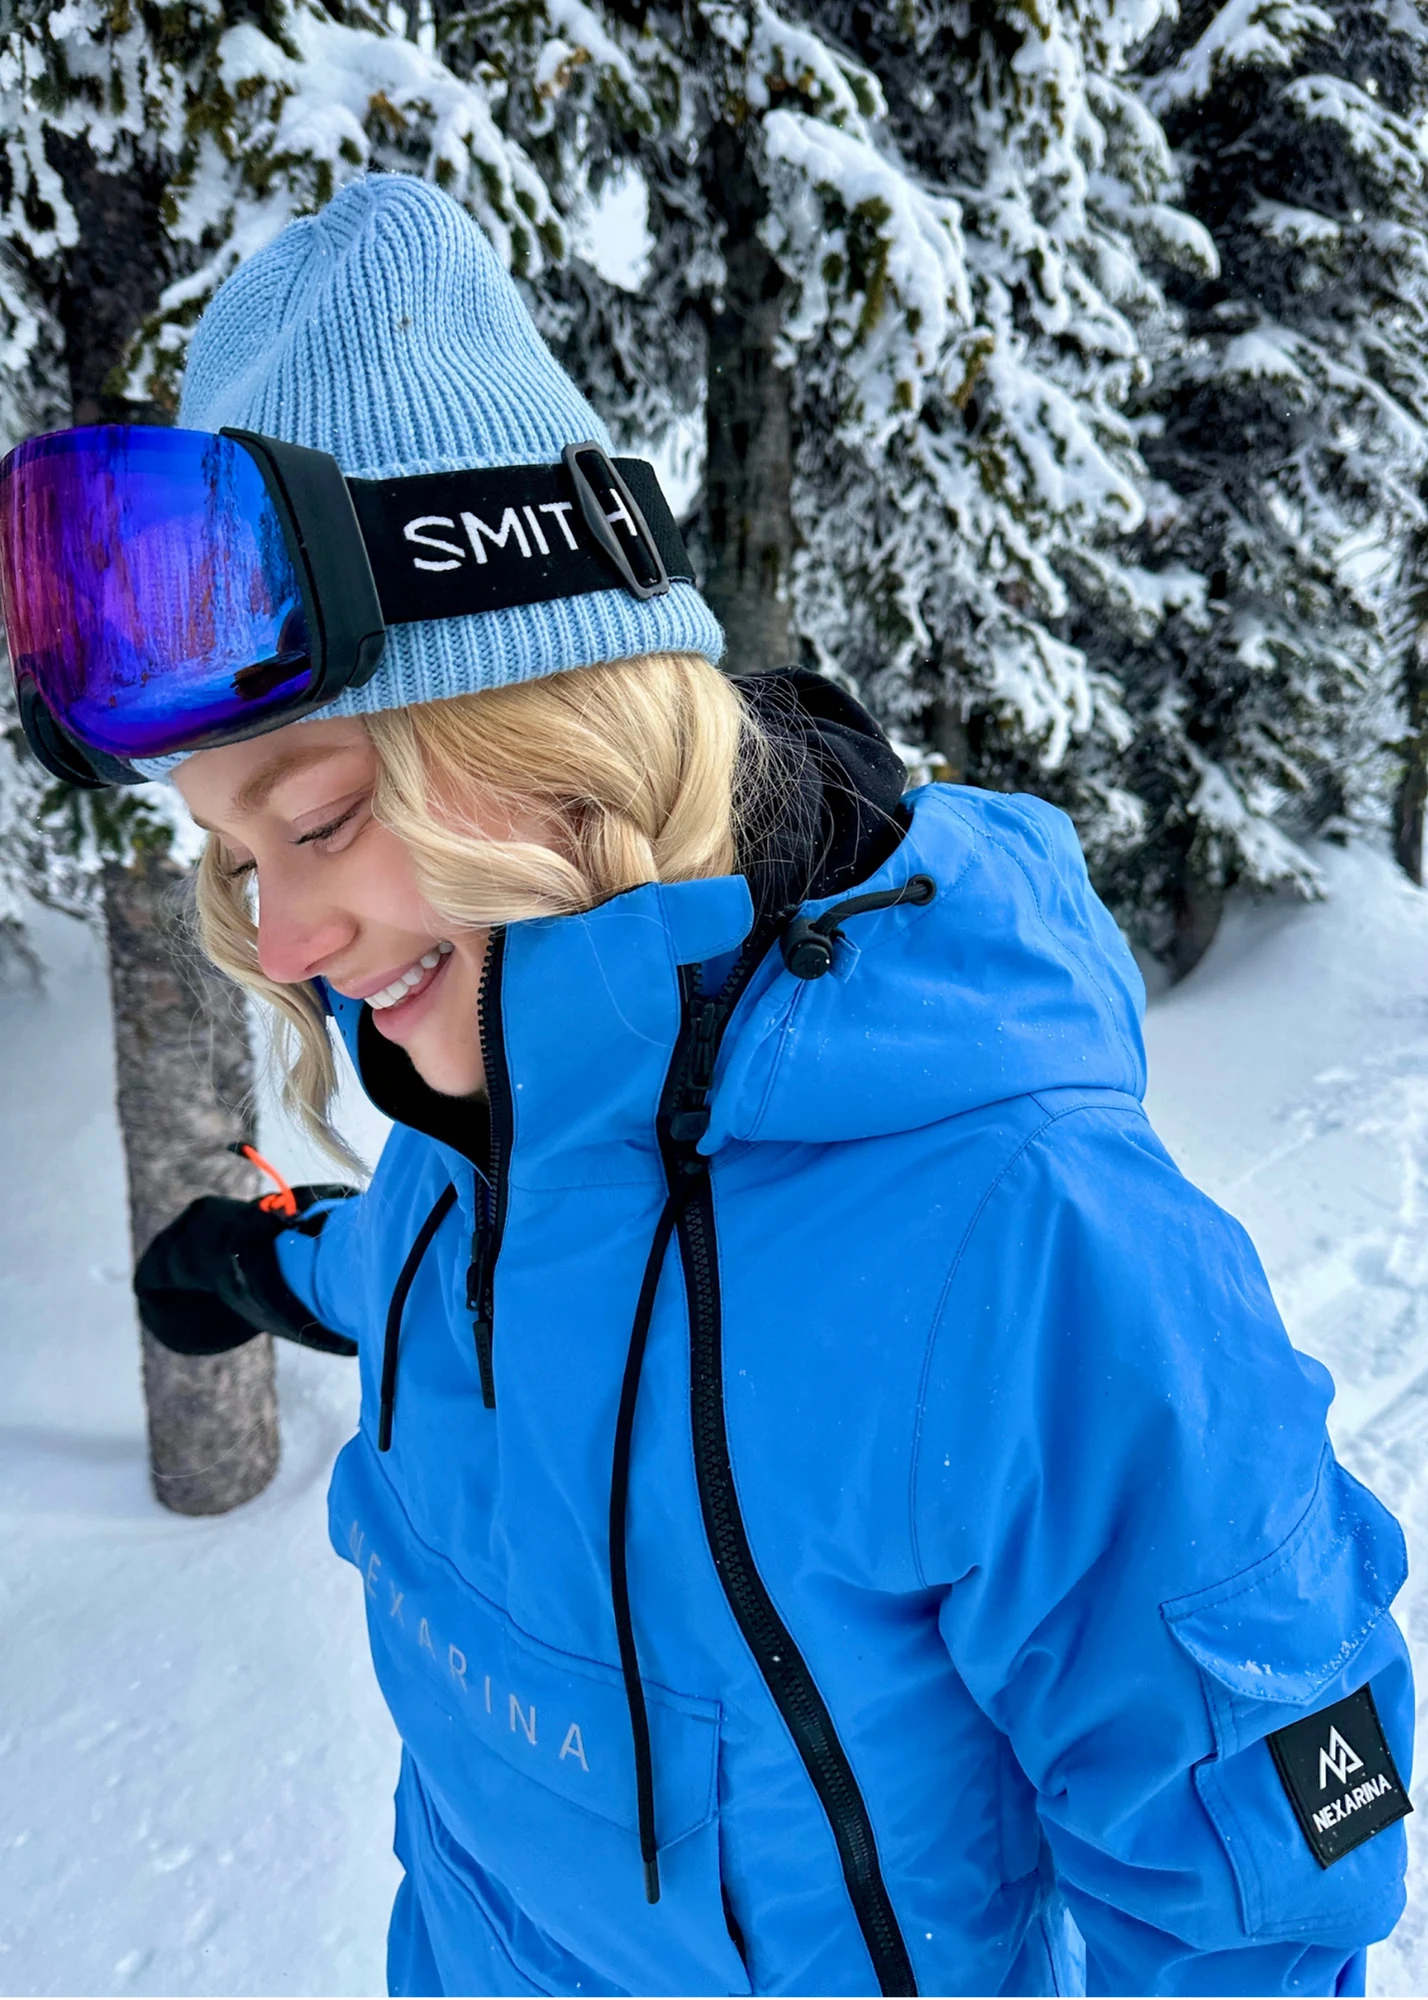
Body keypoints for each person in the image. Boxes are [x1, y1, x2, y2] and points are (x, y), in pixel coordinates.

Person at [3, 174, 1412, 1998]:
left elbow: (1253, 1907)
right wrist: (265, 1257)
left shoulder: (1024, 1243)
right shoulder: (468, 1133)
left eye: (325, 819)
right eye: (233, 858)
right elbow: (485, 1274)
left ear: (551, 734)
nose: (279, 939)